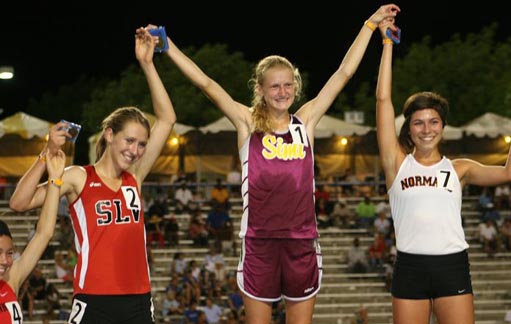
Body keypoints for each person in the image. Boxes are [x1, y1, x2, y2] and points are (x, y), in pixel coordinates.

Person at [158, 4, 400, 323]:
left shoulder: (306, 122)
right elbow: (205, 83)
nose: (282, 91)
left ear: (295, 87)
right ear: (260, 89)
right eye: (274, 85)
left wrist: (369, 25)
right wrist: (167, 45)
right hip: (259, 243)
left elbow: (344, 73)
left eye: (288, 85)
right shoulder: (247, 122)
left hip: (302, 242)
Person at [9, 26, 176, 324]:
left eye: (141, 144)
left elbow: (167, 118)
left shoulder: (134, 177)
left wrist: (148, 64)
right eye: (129, 141)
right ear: (110, 135)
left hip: (140, 299)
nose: (135, 150)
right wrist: (44, 156)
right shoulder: (77, 177)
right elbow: (19, 203)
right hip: (94, 299)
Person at [375, 19, 511, 324]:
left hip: (452, 267)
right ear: (409, 128)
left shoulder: (459, 169)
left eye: (433, 122)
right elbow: (382, 100)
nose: (426, 129)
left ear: (443, 128)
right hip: (409, 268)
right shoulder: (397, 163)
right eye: (418, 122)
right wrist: (387, 44)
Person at [0, 148, 64, 323]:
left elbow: (44, 233)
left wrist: (55, 180)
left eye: (9, 253)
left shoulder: (10, 279)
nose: (5, 261)